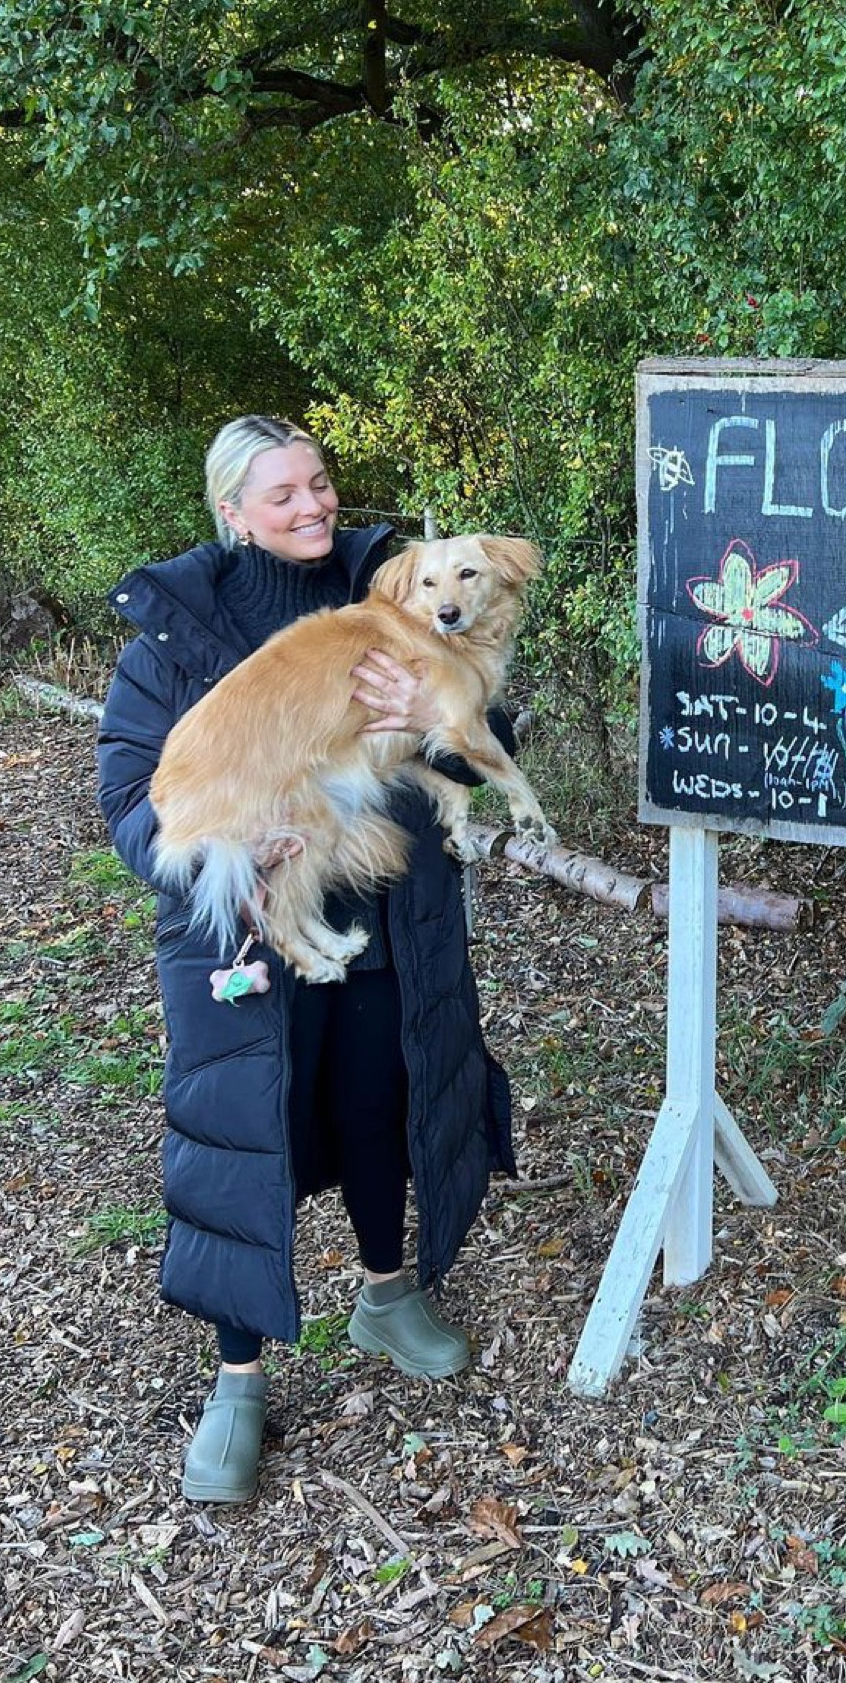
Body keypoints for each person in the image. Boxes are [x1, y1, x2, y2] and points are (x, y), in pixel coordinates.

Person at [97, 415, 521, 1505]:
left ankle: (386, 1291)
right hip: (245, 935)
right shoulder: (176, 633)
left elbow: (482, 742)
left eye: (320, 484)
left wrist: (439, 717)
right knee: (252, 1137)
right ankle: (238, 1378)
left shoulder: (407, 589)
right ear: (232, 511)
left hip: (384, 916)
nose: (313, 506)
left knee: (378, 1101)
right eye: (283, 494)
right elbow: (129, 801)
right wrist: (226, 861)